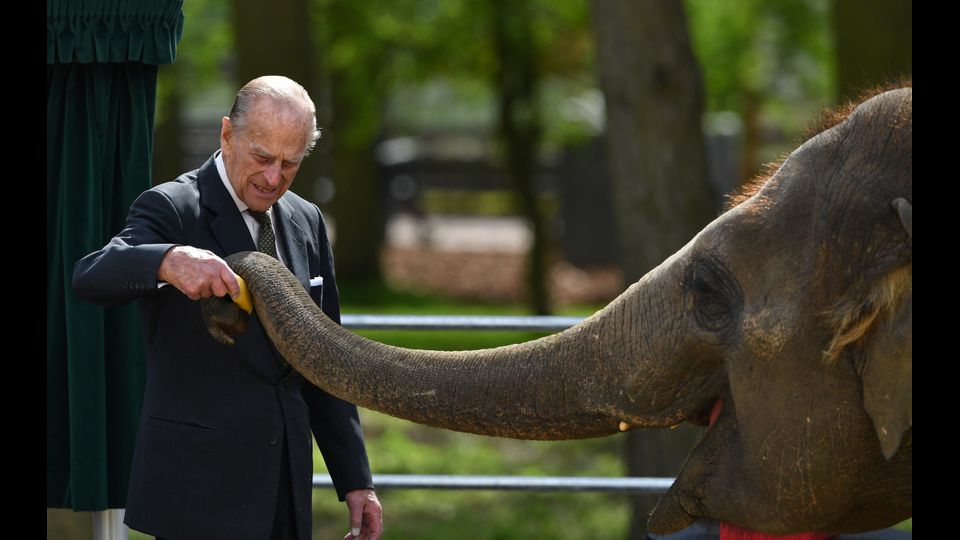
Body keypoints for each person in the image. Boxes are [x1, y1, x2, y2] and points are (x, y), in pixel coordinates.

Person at [73, 75, 384, 540]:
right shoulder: (172, 207)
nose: (274, 178)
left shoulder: (308, 220)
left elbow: (326, 360)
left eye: (290, 163)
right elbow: (92, 275)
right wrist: (166, 260)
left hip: (285, 491)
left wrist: (356, 481)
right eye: (262, 157)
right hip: (197, 495)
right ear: (226, 134)